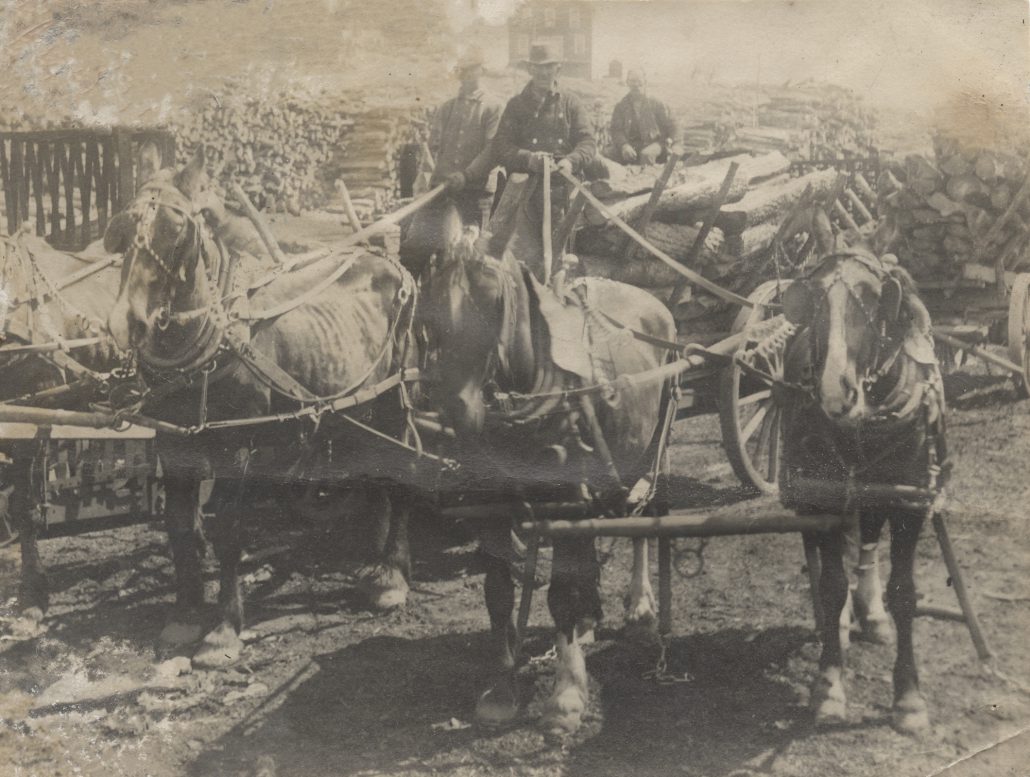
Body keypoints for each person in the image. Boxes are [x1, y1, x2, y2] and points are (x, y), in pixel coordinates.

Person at [428, 47, 502, 228]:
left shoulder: (493, 107)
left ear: (482, 70)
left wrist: (467, 176)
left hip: (475, 191)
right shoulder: (447, 107)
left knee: (469, 248)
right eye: (463, 70)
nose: (467, 74)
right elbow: (433, 147)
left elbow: (492, 150)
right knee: (424, 247)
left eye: (472, 68)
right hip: (443, 188)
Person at [608, 70, 678, 165]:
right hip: (632, 144)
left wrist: (671, 142)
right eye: (632, 81)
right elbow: (616, 130)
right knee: (607, 154)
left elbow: (672, 125)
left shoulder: (656, 103)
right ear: (627, 83)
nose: (636, 84)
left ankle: (646, 178)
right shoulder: (621, 105)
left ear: (645, 82)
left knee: (646, 155)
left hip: (655, 143)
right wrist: (624, 145)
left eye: (639, 81)